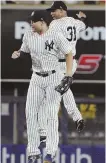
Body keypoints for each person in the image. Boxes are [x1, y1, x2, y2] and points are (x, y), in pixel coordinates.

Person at [11, 10, 74, 163]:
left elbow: (69, 53)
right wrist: (18, 53)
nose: (31, 24)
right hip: (36, 77)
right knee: (30, 112)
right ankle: (33, 151)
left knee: (51, 114)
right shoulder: (28, 36)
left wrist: (68, 74)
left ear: (42, 22)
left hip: (53, 76)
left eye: (34, 21)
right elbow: (24, 51)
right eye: (30, 21)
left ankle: (51, 152)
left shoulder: (56, 35)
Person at [38, 1, 87, 142]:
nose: (52, 13)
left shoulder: (55, 24)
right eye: (51, 11)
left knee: (50, 95)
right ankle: (78, 118)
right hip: (72, 63)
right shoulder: (75, 22)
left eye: (54, 11)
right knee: (64, 91)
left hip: (60, 64)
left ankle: (45, 132)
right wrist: (82, 17)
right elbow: (84, 25)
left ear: (62, 10)